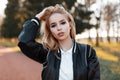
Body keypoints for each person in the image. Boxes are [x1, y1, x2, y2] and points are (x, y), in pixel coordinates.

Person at [18, 4, 100, 80]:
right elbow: (24, 42)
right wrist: (37, 17)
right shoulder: (47, 53)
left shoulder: (87, 52)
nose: (59, 28)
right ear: (50, 30)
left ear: (70, 24)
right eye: (53, 25)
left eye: (63, 23)